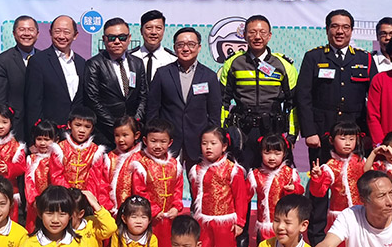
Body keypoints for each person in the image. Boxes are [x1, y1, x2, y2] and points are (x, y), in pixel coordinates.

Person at [218, 14, 299, 171]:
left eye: (262, 32)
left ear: (269, 36)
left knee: (275, 180)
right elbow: (222, 101)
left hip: (273, 131)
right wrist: (222, 133)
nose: (257, 37)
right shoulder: (233, 63)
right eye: (252, 32)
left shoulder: (284, 65)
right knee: (241, 178)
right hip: (242, 132)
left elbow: (293, 103)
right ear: (244, 35)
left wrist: (291, 136)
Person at [297, 9, 376, 165]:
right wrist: (310, 132)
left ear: (351, 31)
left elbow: (375, 100)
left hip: (355, 134)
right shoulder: (313, 57)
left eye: (345, 27)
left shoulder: (365, 58)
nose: (340, 31)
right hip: (322, 133)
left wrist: (368, 133)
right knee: (320, 183)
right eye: (335, 26)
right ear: (327, 30)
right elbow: (303, 96)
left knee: (354, 182)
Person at [145, 27, 221, 168]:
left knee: (199, 186)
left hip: (198, 142)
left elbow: (215, 113)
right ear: (174, 48)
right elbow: (153, 110)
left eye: (191, 44)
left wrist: (211, 141)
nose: (186, 49)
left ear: (199, 47)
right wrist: (154, 138)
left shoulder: (209, 76)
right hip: (168, 141)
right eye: (180, 45)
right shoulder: (162, 74)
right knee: (164, 184)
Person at [189, 126, 250, 247]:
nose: (208, 147)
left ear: (224, 146)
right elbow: (197, 195)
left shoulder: (233, 170)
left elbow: (241, 198)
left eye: (213, 143)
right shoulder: (196, 170)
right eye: (204, 143)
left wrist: (240, 222)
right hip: (204, 219)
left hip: (226, 221)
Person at [84, 17, 147, 148]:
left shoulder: (137, 63)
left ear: (129, 38)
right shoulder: (94, 64)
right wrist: (117, 128)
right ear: (104, 39)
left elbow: (143, 96)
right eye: (112, 38)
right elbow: (93, 100)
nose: (117, 42)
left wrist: (134, 124)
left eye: (122, 37)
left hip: (133, 136)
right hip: (106, 135)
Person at [24, 15, 87, 140]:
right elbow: (33, 104)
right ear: (50, 33)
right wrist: (34, 138)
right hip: (49, 137)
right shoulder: (38, 61)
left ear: (75, 35)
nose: (62, 36)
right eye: (57, 31)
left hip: (76, 137)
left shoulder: (82, 63)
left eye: (67, 32)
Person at [129, 118, 185, 246]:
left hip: (168, 217)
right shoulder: (140, 163)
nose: (158, 146)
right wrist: (154, 210)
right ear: (145, 140)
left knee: (166, 246)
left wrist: (176, 207)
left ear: (170, 142)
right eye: (153, 141)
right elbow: (139, 190)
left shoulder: (174, 164)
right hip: (147, 218)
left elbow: (178, 188)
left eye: (163, 142)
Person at [307, 119, 366, 235]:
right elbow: (318, 192)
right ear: (331, 140)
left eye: (352, 139)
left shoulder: (361, 161)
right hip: (339, 215)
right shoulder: (330, 167)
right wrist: (317, 178)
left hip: (361, 213)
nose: (348, 143)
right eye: (343, 139)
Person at [249, 133, 303, 242]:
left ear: (284, 154)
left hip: (286, 224)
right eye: (267, 153)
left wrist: (292, 189)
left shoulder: (289, 174)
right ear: (261, 153)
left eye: (277, 153)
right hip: (264, 224)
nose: (272, 157)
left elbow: (299, 193)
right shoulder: (256, 174)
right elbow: (244, 195)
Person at [0, 15, 38, 139]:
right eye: (22, 30)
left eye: (30, 30)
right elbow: (0, 99)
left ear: (37, 34)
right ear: (14, 33)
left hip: (40, 130)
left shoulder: (44, 59)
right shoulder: (3, 60)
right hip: (15, 128)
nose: (26, 34)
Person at [50, 107, 108, 197]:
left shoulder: (95, 151)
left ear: (92, 129)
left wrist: (84, 197)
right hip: (64, 198)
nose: (82, 130)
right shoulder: (60, 149)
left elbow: (95, 179)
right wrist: (70, 194)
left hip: (87, 199)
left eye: (87, 127)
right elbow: (56, 176)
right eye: (78, 125)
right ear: (69, 125)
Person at [24, 120, 59, 226]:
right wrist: (34, 200)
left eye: (47, 139)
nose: (42, 143)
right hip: (35, 203)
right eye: (39, 139)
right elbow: (28, 182)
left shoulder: (58, 158)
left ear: (56, 140)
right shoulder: (31, 159)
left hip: (54, 202)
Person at [105, 116, 142, 210]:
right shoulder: (110, 157)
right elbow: (103, 184)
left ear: (136, 135)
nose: (120, 139)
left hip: (134, 211)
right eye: (117, 135)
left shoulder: (141, 158)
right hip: (111, 210)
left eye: (125, 135)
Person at [130, 9, 176, 83]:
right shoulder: (130, 58)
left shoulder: (173, 60)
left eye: (158, 28)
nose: (154, 32)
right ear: (141, 31)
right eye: (149, 28)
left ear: (163, 31)